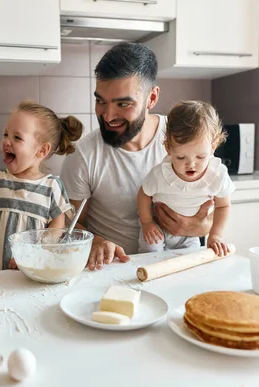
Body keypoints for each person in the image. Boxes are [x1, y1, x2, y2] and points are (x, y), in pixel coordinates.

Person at [60, 42, 213, 270]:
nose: (108, 116)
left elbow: (213, 214)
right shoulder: (83, 154)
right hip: (113, 273)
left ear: (151, 98)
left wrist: (196, 227)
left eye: (123, 103)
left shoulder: (187, 140)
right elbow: (68, 225)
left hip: (183, 266)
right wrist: (93, 242)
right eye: (100, 101)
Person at [0, 100, 82, 270]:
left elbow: (57, 227)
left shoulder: (51, 187)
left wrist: (37, 254)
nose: (7, 141)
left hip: (27, 275)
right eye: (6, 134)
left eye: (17, 137)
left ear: (41, 150)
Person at [137, 101, 235, 256]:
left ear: (213, 146)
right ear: (168, 148)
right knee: (150, 256)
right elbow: (143, 194)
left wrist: (215, 235)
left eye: (201, 156)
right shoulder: (161, 174)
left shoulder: (217, 175)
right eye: (181, 157)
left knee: (189, 262)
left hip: (190, 234)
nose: (191, 164)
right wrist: (147, 222)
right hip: (157, 229)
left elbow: (223, 206)